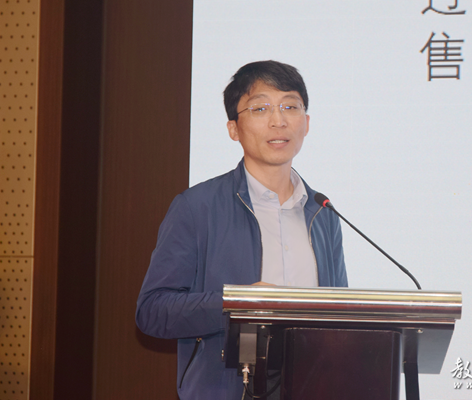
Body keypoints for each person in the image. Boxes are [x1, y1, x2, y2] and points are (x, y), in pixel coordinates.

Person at [136, 60, 348, 400]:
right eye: (260, 108)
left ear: (306, 123)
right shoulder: (197, 207)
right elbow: (152, 311)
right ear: (233, 129)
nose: (278, 120)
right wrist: (234, 304)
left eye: (290, 106)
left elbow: (339, 317)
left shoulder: (323, 212)